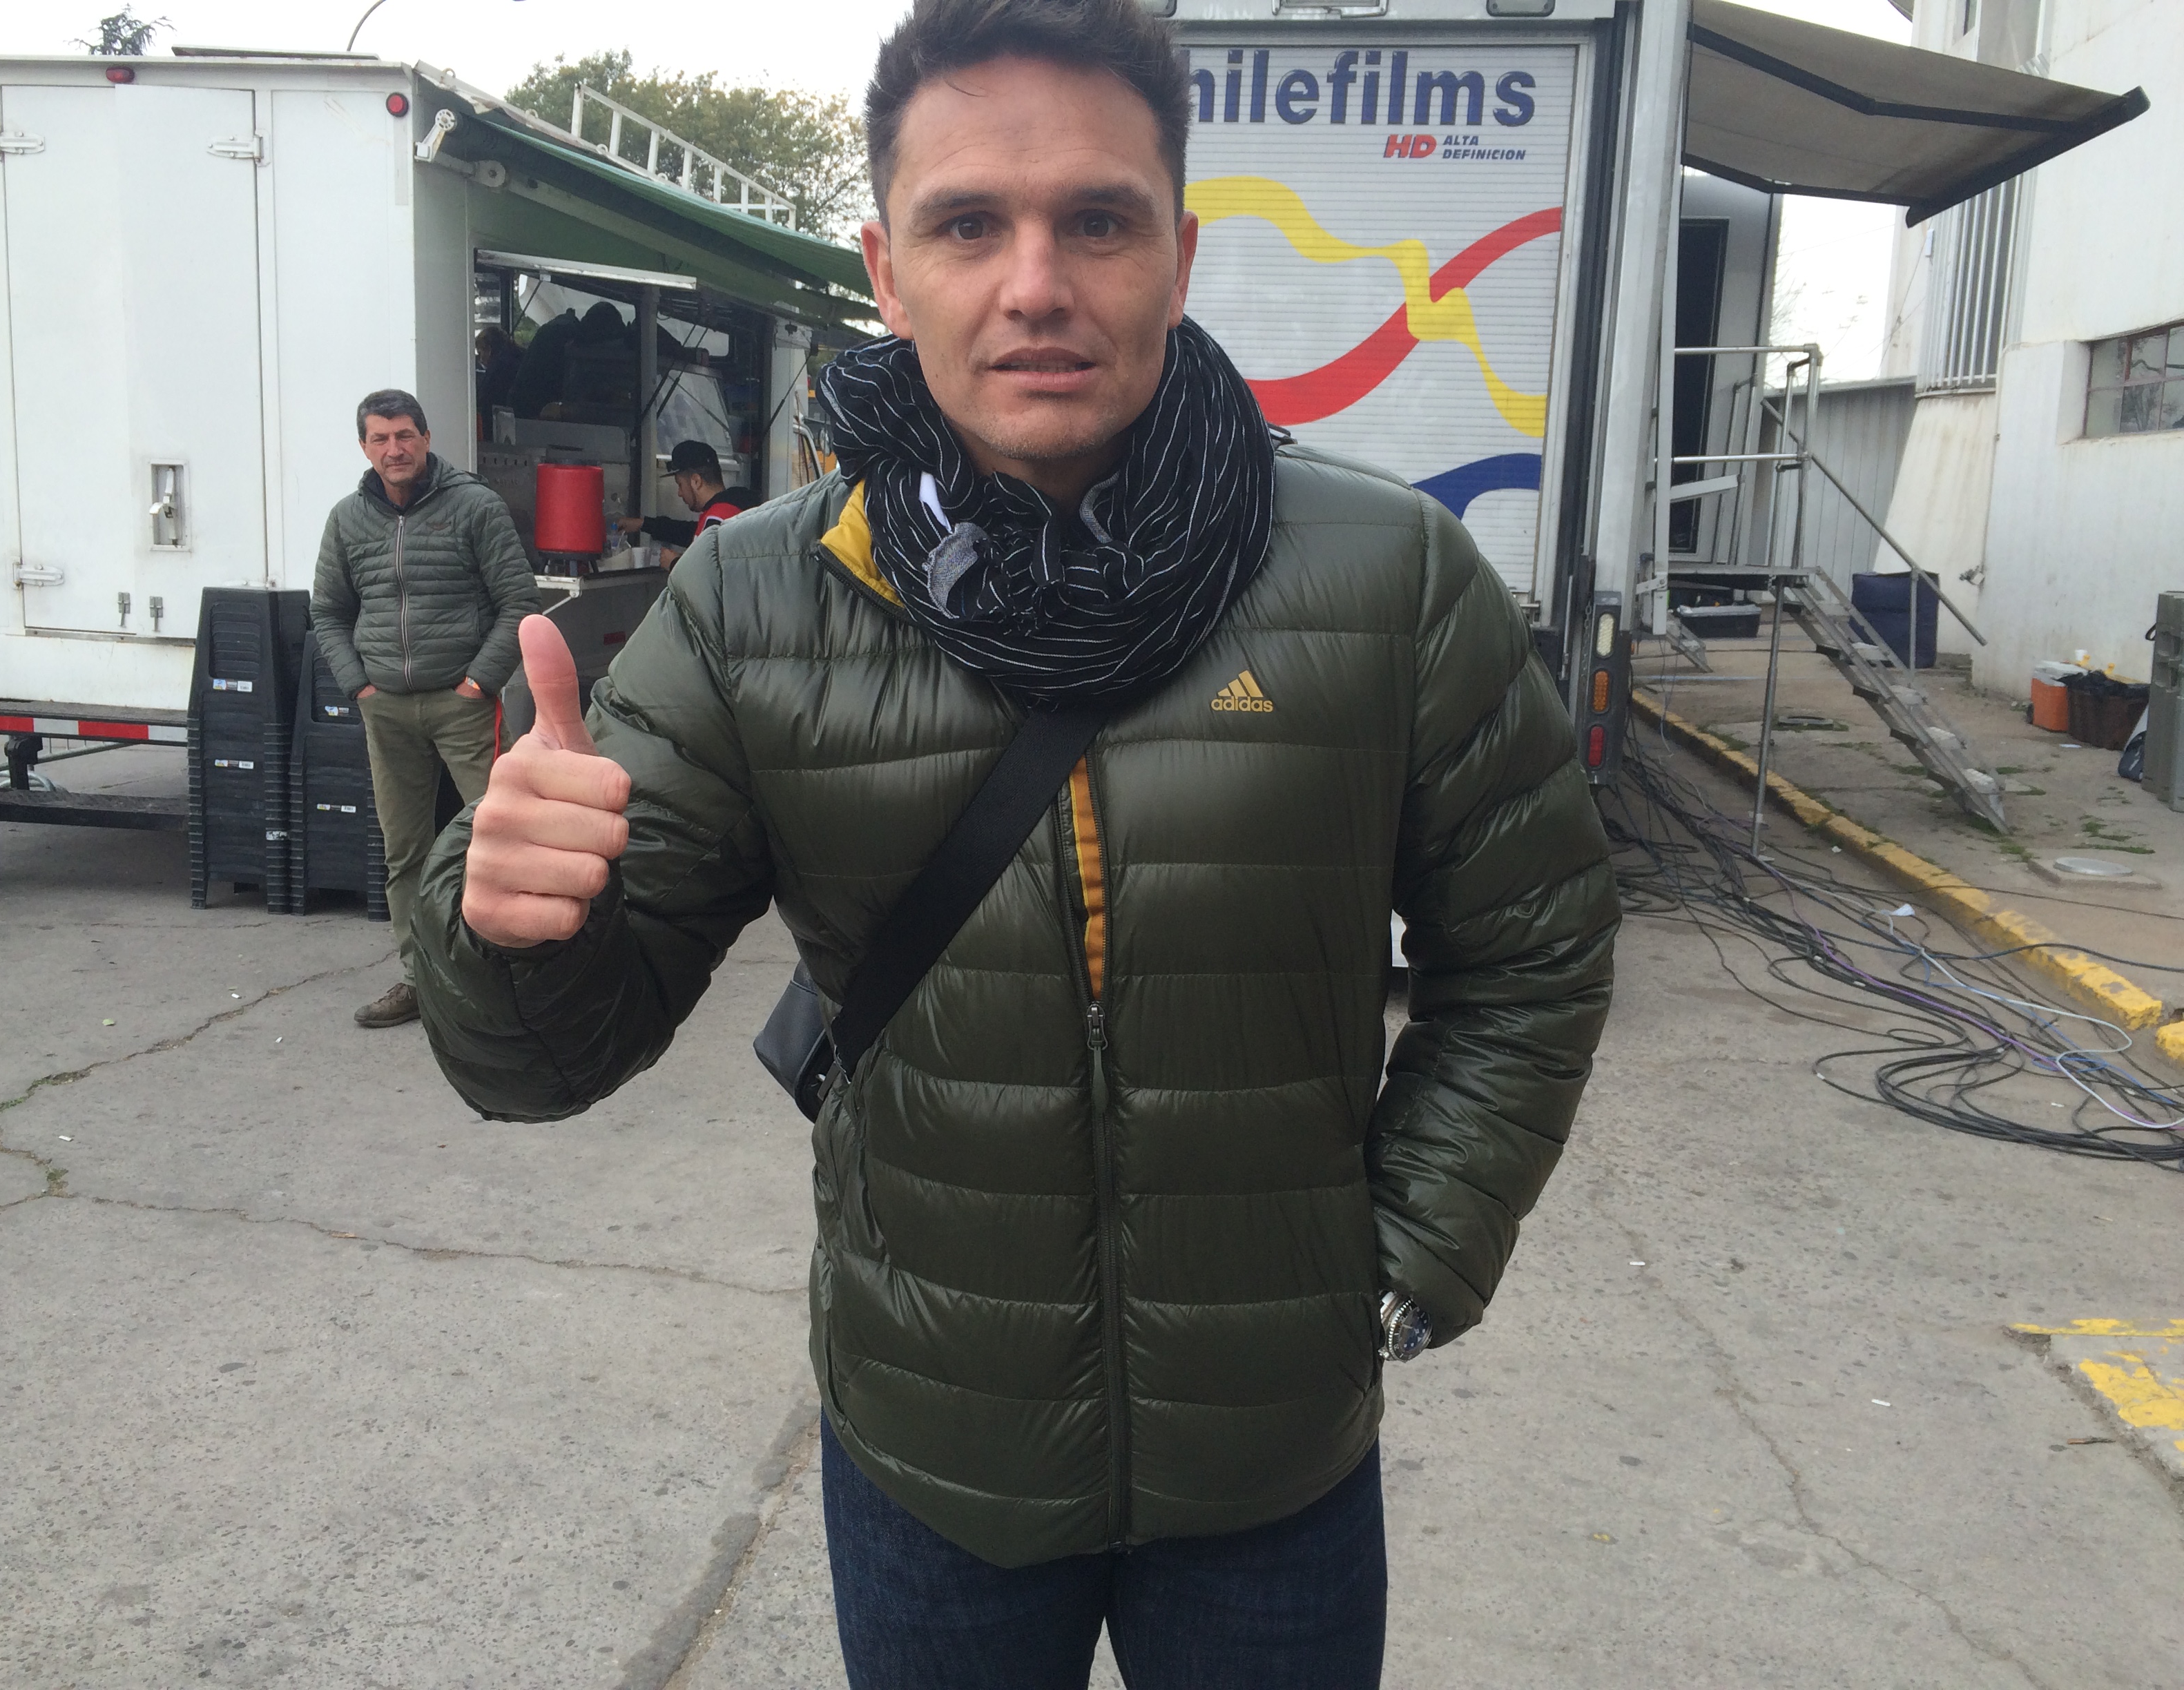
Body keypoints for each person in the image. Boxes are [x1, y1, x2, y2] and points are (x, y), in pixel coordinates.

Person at [412, 0, 1618, 1682]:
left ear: (1180, 255)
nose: (1034, 282)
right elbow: (546, 1059)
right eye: (968, 223)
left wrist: (1409, 1248)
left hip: (1274, 1469)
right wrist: (508, 924)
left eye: (1096, 220)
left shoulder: (1388, 577)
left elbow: (1534, 945)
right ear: (886, 274)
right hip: (932, 1463)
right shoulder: (756, 598)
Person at [310, 389, 539, 1030]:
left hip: (463, 706)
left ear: (427, 438)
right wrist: (359, 685)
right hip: (386, 709)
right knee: (405, 851)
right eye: (380, 439)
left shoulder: (474, 507)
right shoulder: (348, 520)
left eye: (405, 434)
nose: (394, 449)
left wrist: (479, 683)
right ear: (364, 447)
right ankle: (421, 979)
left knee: (499, 840)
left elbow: (518, 600)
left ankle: (513, 975)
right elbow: (328, 610)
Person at [615, 438, 758, 564]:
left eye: (680, 485)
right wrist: (644, 524)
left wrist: (675, 564)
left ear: (696, 481)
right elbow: (689, 532)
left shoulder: (717, 516)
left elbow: (707, 578)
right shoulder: (737, 508)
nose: (679, 493)